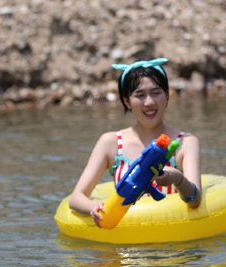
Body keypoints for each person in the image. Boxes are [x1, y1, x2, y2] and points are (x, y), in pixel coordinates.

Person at [68, 58, 202, 226]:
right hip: (125, 241)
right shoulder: (111, 143)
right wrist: (95, 207)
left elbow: (195, 201)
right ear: (126, 101)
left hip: (171, 241)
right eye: (140, 95)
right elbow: (76, 197)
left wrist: (178, 179)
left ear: (167, 96)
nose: (149, 102)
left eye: (156, 92)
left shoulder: (185, 143)